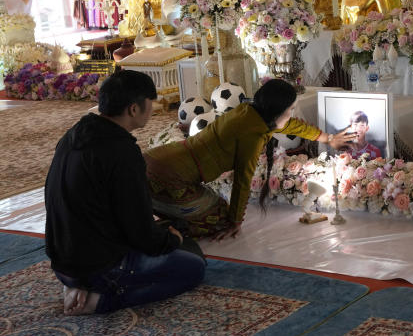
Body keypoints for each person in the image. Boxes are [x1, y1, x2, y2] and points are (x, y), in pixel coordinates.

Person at [45, 69, 205, 316]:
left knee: (176, 242)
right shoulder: (120, 152)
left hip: (64, 263)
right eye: (149, 103)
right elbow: (137, 226)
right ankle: (100, 301)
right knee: (194, 265)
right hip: (100, 264)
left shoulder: (74, 135)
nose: (152, 109)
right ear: (133, 109)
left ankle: (79, 285)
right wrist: (171, 240)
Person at [144, 79, 355, 240]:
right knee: (218, 219)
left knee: (205, 205)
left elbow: (289, 125)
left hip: (153, 160)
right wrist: (235, 222)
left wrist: (328, 138)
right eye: (290, 110)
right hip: (167, 176)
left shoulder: (250, 112)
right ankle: (164, 232)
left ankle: (154, 212)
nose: (291, 114)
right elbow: (243, 179)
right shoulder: (252, 135)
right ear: (276, 112)